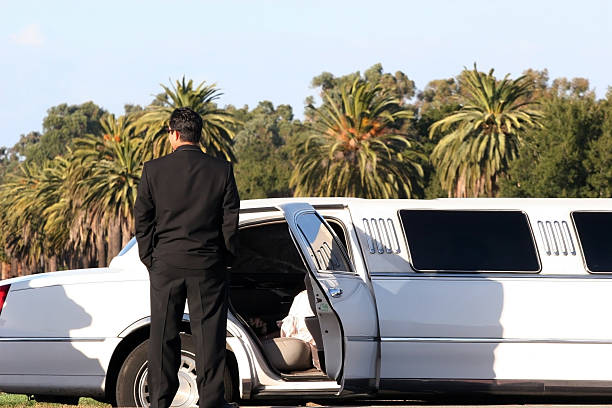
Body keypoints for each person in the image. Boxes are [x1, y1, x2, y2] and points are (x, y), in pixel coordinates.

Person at [134, 107, 239, 408]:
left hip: (165, 264)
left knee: (163, 336)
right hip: (208, 265)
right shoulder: (222, 171)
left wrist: (150, 258)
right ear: (196, 134)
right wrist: (224, 259)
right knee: (209, 337)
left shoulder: (153, 170)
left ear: (175, 133)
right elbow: (229, 222)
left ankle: (159, 402)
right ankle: (211, 402)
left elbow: (143, 219)